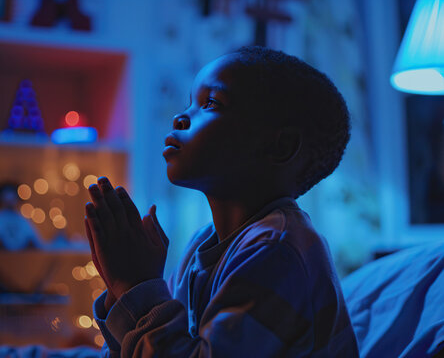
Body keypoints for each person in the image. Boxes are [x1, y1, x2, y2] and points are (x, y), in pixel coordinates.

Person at [84, 46, 359, 357]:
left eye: (210, 103)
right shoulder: (202, 244)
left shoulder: (277, 250)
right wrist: (121, 289)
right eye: (190, 103)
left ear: (279, 146)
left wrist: (135, 285)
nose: (180, 117)